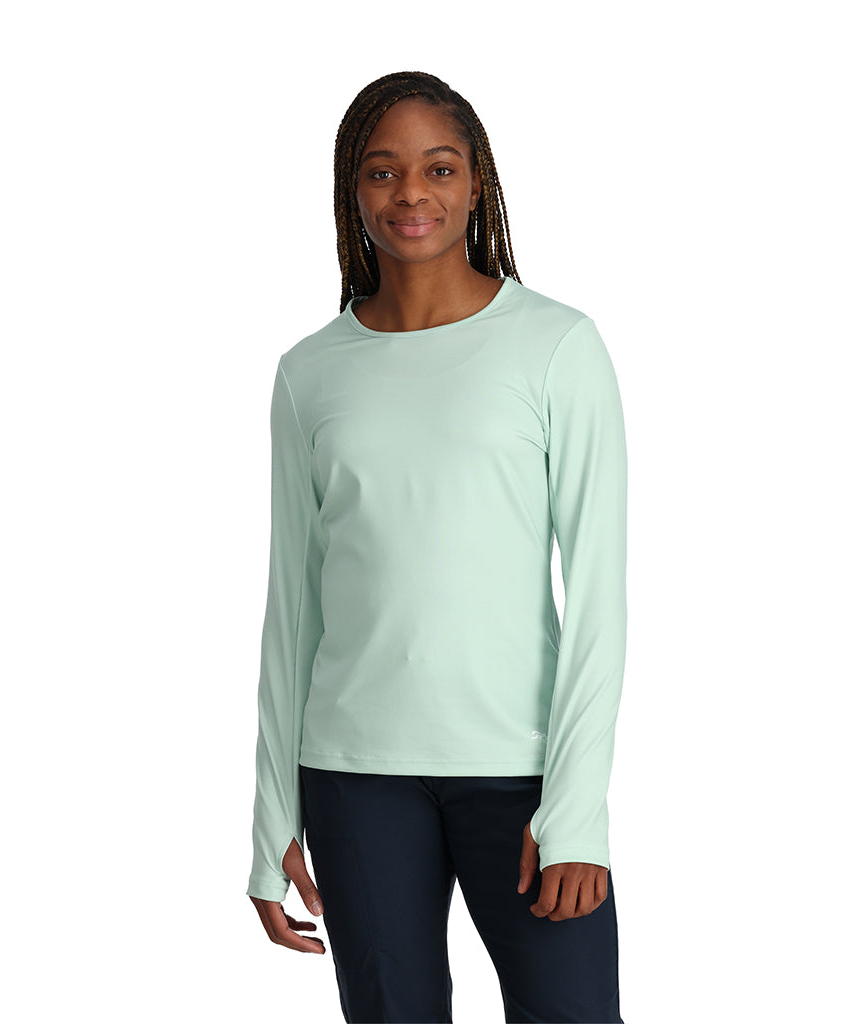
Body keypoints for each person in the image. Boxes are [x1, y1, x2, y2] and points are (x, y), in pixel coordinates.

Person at [246, 70, 628, 1024]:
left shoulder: (555, 347)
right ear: (353, 190)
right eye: (382, 172)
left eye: (439, 168)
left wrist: (577, 809)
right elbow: (293, 606)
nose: (410, 193)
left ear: (476, 181)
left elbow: (598, 594)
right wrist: (270, 816)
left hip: (520, 771)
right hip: (354, 777)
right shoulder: (309, 374)